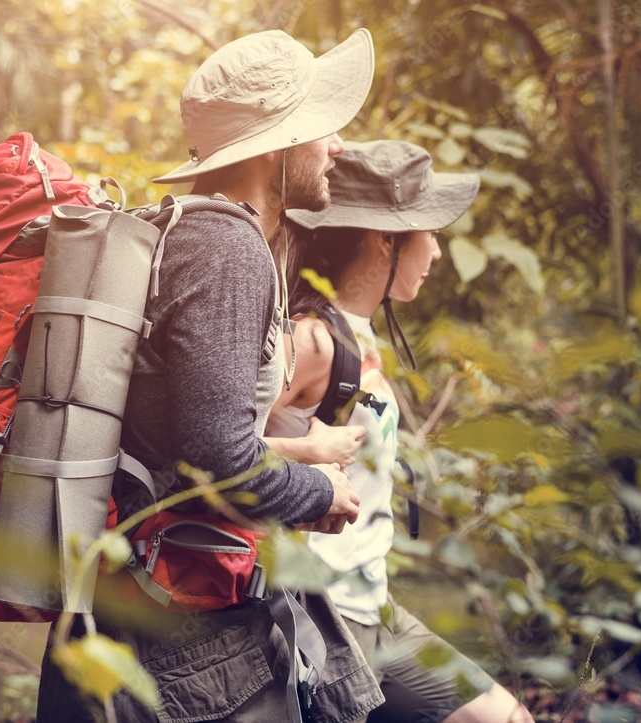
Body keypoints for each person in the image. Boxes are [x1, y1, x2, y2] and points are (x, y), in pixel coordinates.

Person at [36, 29, 387, 722]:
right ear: (277, 146)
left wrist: (303, 455)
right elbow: (216, 458)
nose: (337, 145)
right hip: (184, 642)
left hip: (144, 607)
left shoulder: (192, 231)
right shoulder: (228, 247)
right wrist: (319, 489)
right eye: (321, 128)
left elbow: (185, 434)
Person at [266, 140, 536, 723]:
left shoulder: (355, 336)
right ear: (385, 239)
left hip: (377, 610)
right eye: (429, 231)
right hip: (323, 621)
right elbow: (207, 445)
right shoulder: (311, 340)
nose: (437, 250)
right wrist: (303, 450)